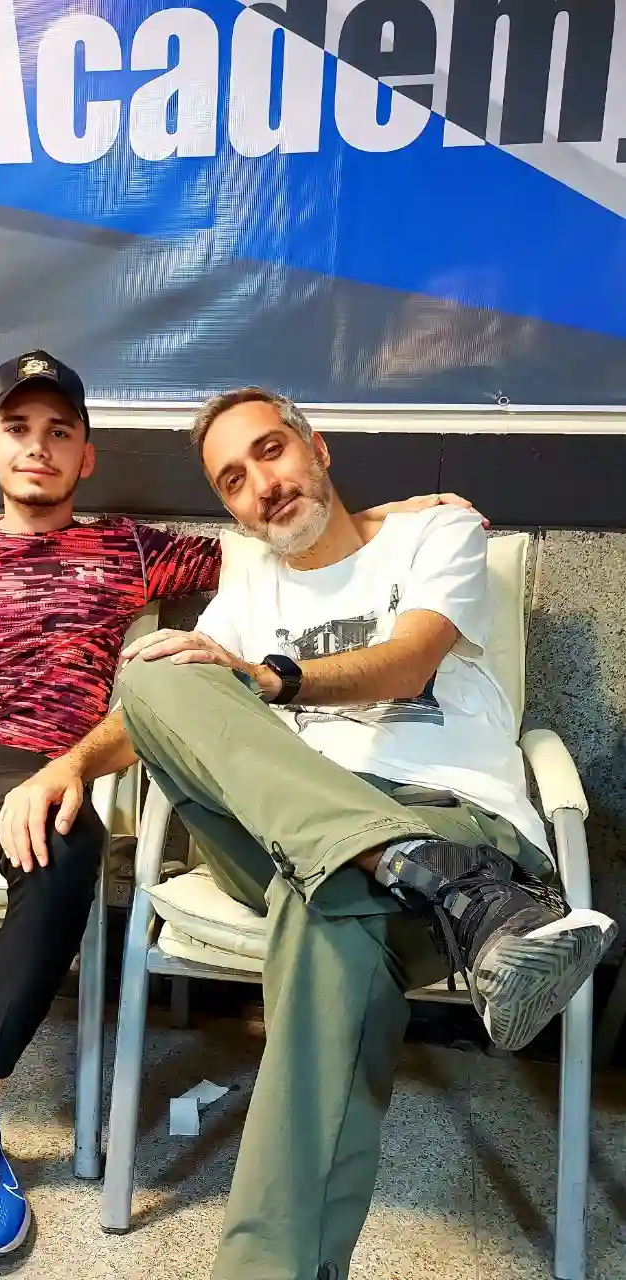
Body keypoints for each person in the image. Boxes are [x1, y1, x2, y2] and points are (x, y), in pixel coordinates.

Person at [0, 353, 459, 1262]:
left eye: (60, 432)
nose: (38, 448)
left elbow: (284, 537)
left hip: (34, 775)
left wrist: (393, 517)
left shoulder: (130, 548)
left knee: (66, 839)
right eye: (18, 429)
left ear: (85, 457)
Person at [113, 387, 617, 1280]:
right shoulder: (246, 589)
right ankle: (437, 880)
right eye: (233, 480)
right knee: (150, 674)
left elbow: (413, 659)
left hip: (447, 810)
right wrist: (60, 770)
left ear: (319, 447)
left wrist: (272, 678)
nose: (261, 484)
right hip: (301, 841)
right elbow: (155, 709)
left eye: (271, 451)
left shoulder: (436, 533)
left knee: (328, 908)